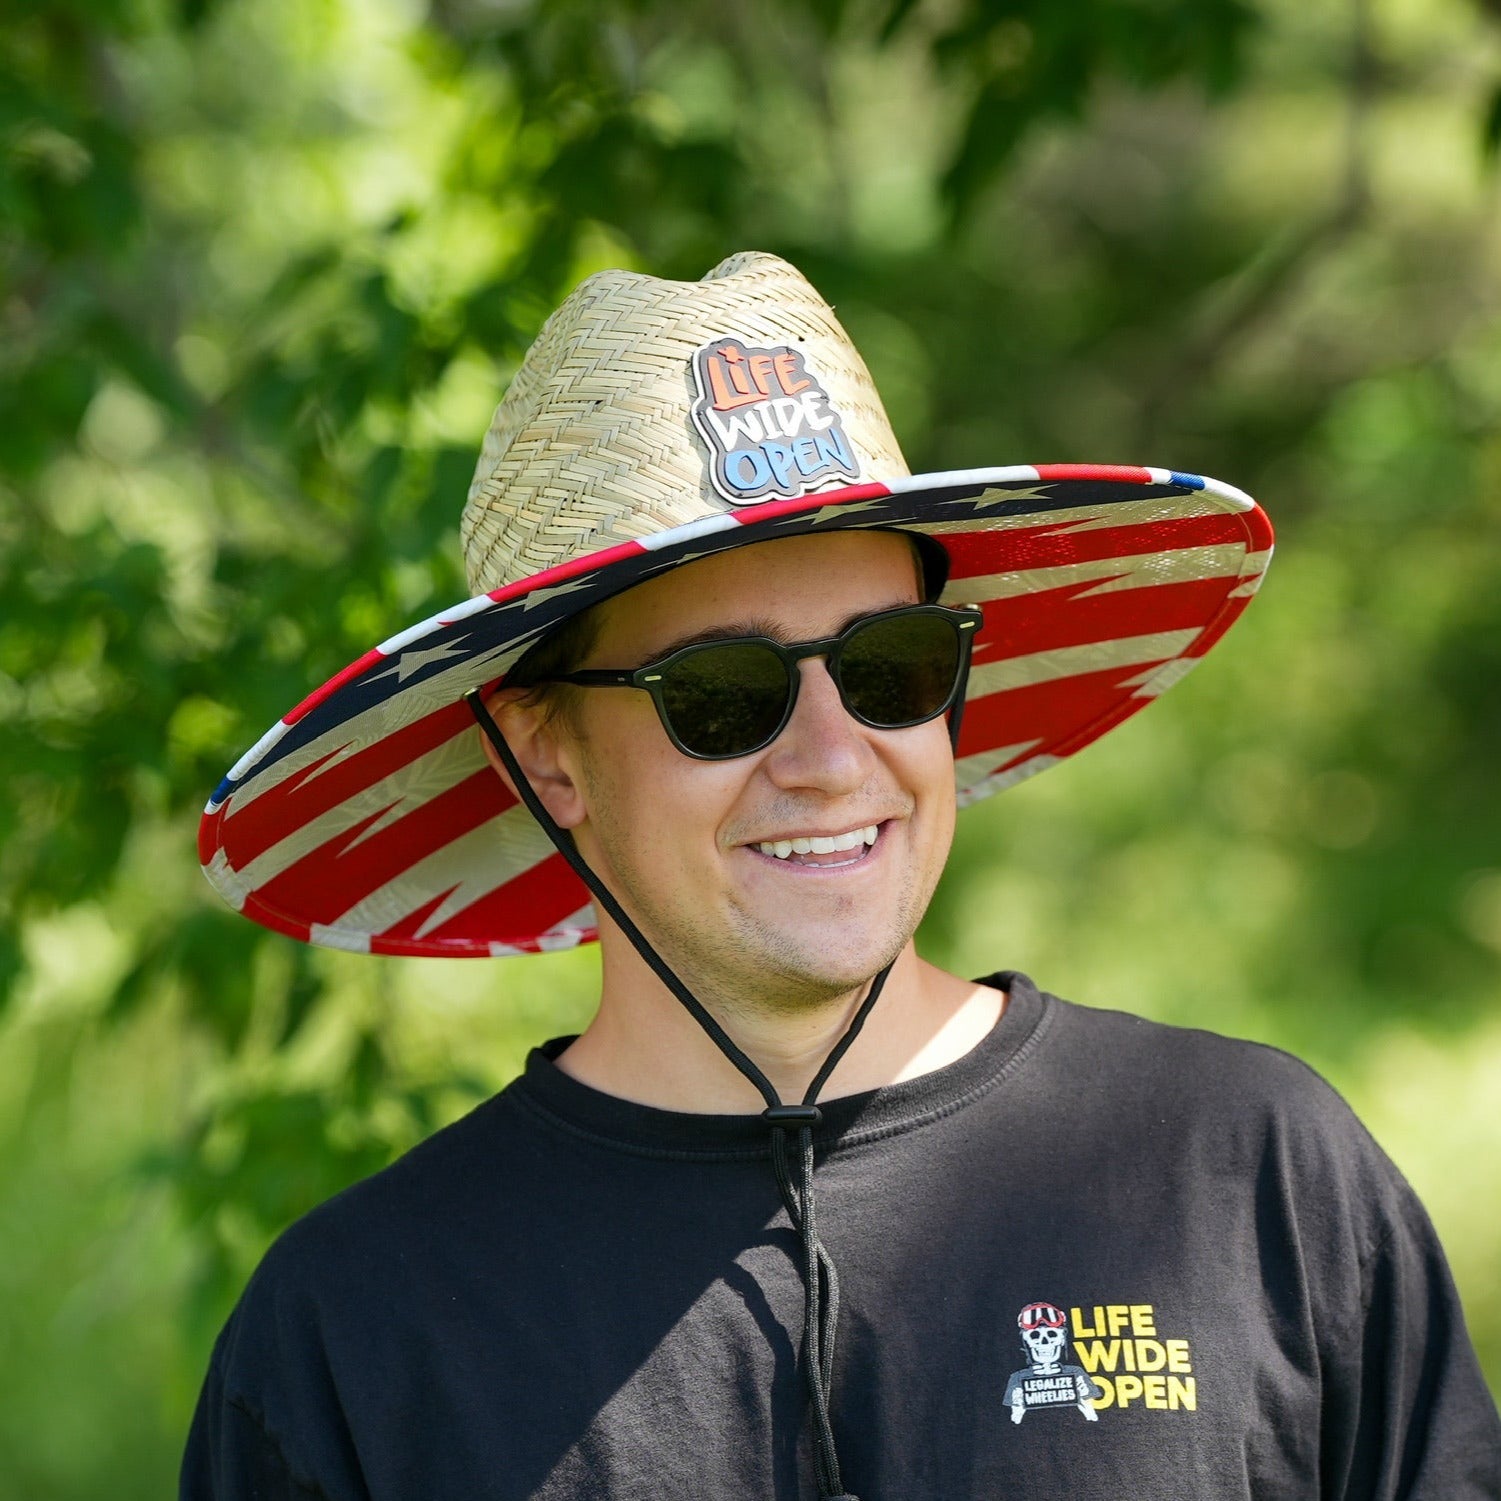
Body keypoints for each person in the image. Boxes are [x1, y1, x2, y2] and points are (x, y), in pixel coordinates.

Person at [186, 252, 1501, 1499]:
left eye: (892, 665)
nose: (831, 757)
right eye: (721, 691)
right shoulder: (357, 1334)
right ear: (549, 753)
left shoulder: (1247, 1171)